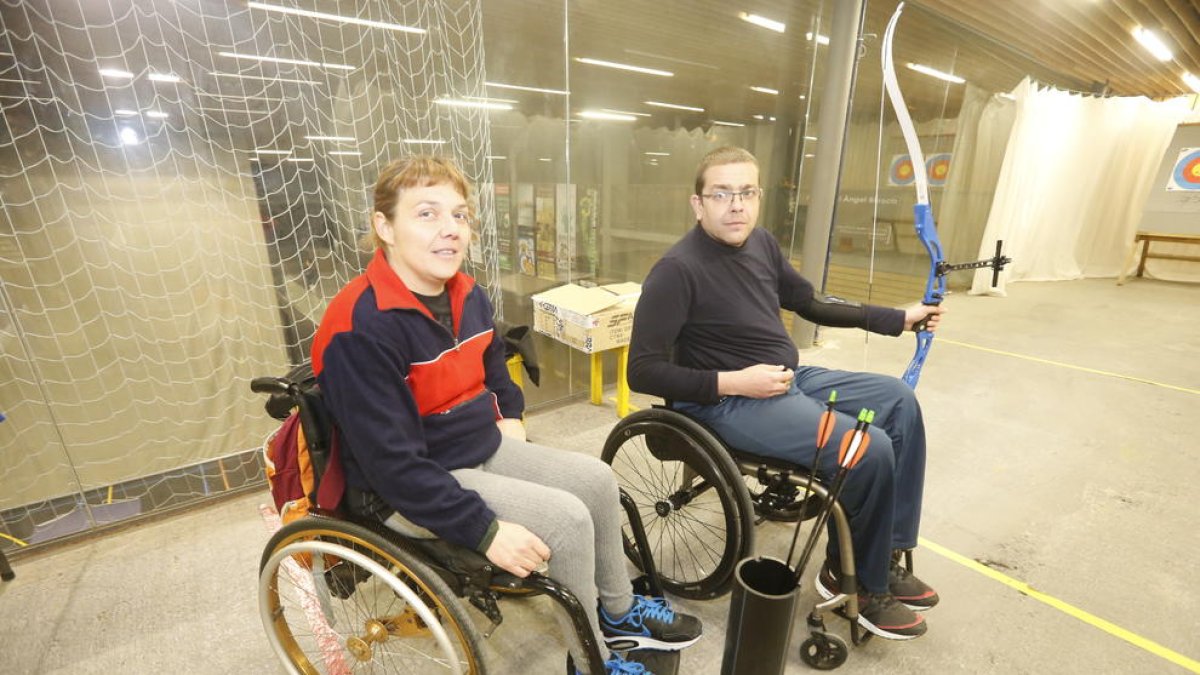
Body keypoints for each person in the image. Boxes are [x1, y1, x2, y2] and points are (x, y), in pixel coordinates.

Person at [311, 156, 701, 674]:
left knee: (598, 480)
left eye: (460, 214)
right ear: (383, 226)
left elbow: (495, 362)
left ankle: (618, 612)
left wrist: (510, 414)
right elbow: (393, 467)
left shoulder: (467, 294)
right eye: (427, 214)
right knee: (565, 522)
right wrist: (487, 531)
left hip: (473, 446)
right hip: (406, 485)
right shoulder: (359, 329)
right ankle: (593, 663)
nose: (451, 229)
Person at [627, 146, 944, 641]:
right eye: (722, 194)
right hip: (728, 401)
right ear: (698, 204)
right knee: (869, 448)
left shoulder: (763, 245)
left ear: (758, 197)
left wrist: (896, 319)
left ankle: (884, 553)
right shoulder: (676, 270)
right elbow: (641, 371)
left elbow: (811, 303)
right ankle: (858, 581)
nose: (737, 205)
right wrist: (735, 382)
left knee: (899, 401)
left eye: (747, 192)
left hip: (786, 380)